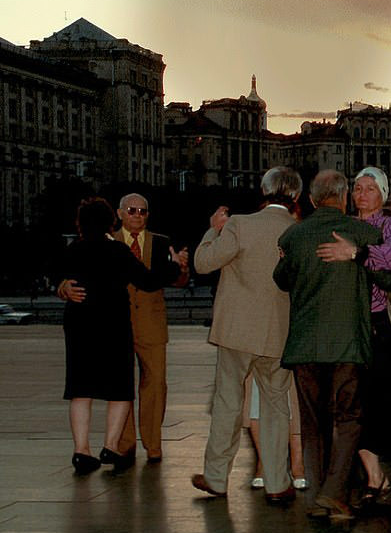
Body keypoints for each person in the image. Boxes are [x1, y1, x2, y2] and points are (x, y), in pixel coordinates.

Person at [275, 169, 391, 520]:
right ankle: (334, 493)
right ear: (344, 196)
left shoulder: (293, 235)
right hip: (347, 343)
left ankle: (318, 495)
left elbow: (281, 280)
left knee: (312, 424)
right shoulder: (363, 232)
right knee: (348, 420)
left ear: (312, 199)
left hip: (303, 347)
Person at [319, 167, 391, 508]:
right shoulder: (345, 226)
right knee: (359, 402)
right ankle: (374, 476)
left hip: (390, 327)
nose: (362, 194)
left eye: (370, 188)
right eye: (357, 188)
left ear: (382, 194)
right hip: (355, 326)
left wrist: (358, 253)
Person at [190, 166, 301, 502]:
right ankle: (278, 482)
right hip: (280, 334)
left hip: (236, 333)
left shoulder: (240, 224)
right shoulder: (299, 231)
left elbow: (204, 263)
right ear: (295, 196)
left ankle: (216, 478)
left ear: (264, 192)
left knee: (227, 402)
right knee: (276, 405)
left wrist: (213, 231)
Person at [58, 192, 188, 466]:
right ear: (113, 219)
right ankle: (111, 445)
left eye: (143, 211)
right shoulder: (117, 251)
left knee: (80, 390)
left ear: (80, 223)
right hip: (114, 325)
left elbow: (58, 275)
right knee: (120, 389)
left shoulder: (72, 250)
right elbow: (149, 280)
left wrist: (64, 287)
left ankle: (81, 450)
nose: (138, 216)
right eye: (131, 210)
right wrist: (174, 265)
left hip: (79, 326)